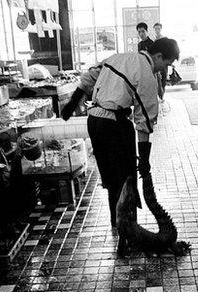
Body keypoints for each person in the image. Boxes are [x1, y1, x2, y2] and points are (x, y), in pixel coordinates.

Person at [62, 38, 180, 227]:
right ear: (158, 56)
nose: (163, 69)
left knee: (110, 179)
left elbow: (90, 76)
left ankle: (116, 224)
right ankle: (128, 228)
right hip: (113, 126)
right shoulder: (146, 74)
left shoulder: (118, 57)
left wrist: (72, 103)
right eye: (165, 64)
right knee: (126, 180)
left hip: (94, 121)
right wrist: (144, 160)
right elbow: (144, 120)